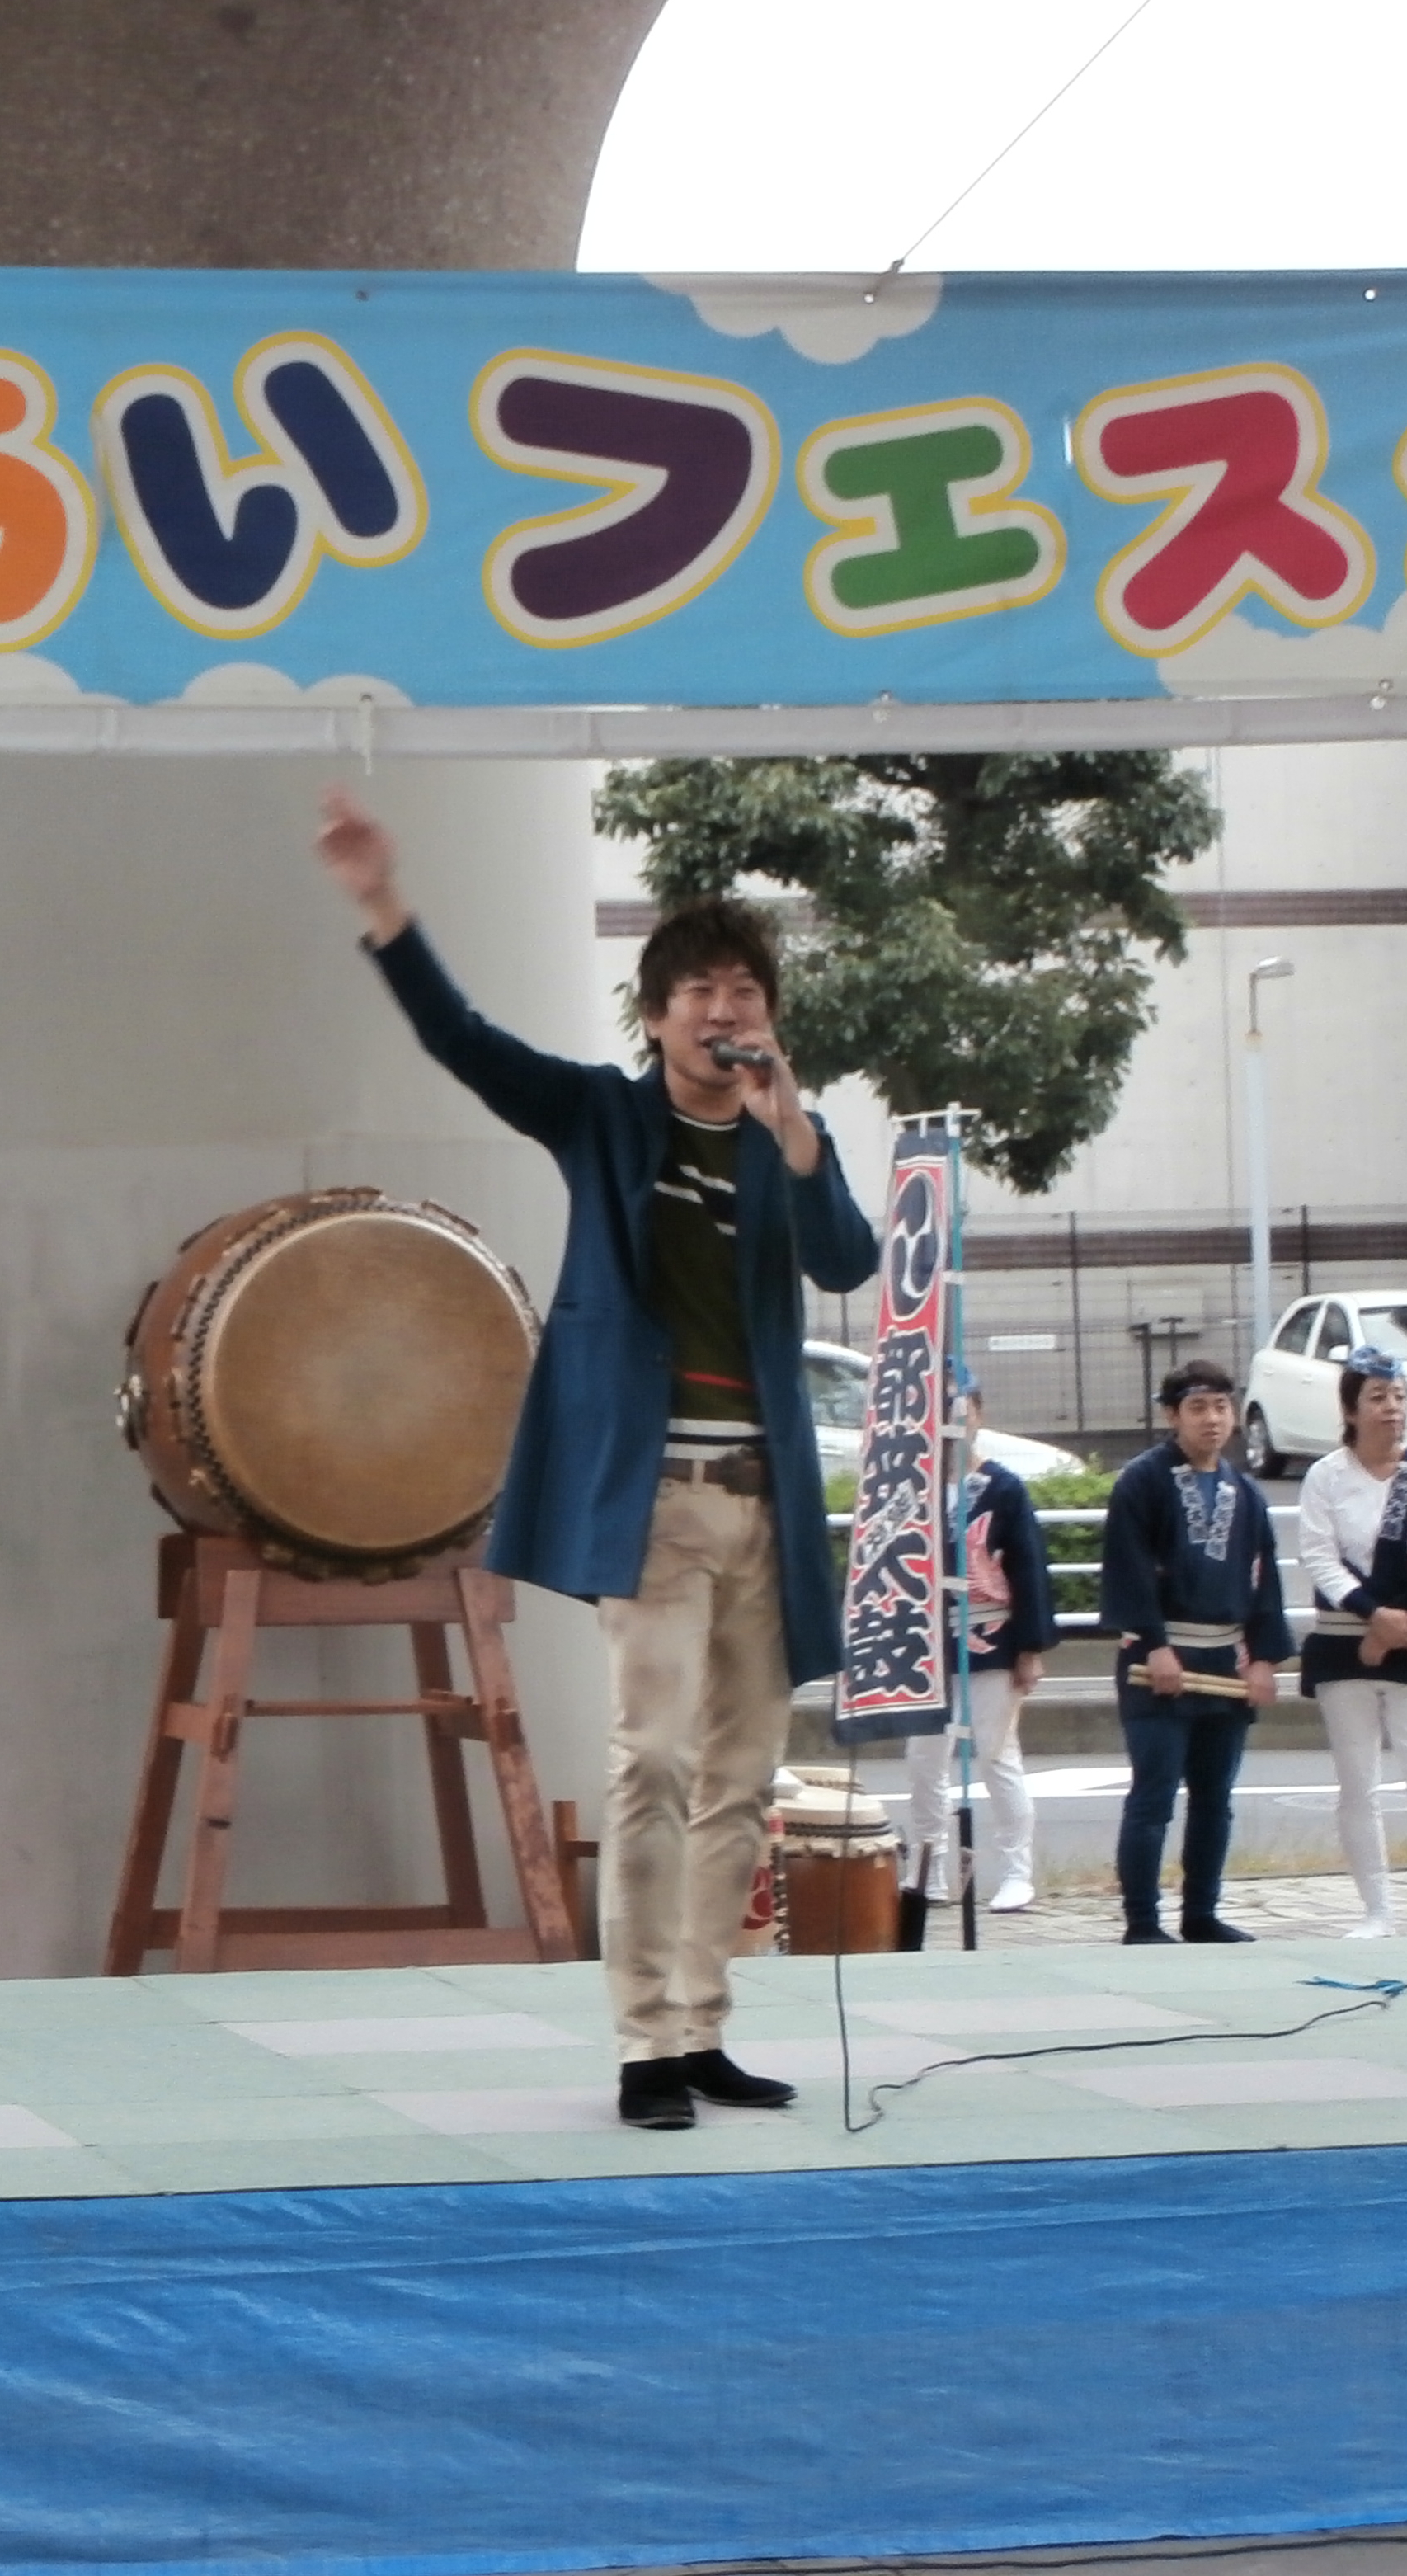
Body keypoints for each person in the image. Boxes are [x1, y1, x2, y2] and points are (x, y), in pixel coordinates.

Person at [315, 789, 880, 2128]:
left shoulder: (782, 1142)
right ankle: (639, 2045)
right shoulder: (599, 1118)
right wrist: (383, 905)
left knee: (744, 1777)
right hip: (653, 1503)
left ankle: (699, 2027)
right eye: (699, 990)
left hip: (764, 1501)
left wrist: (796, 1138)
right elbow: (463, 1042)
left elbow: (850, 1259)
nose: (723, 1009)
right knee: (655, 1764)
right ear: (654, 1017)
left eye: (744, 989)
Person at [1099, 1358, 1292, 1944]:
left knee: (1215, 1797)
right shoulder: (1141, 1481)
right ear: (1171, 1414)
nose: (1211, 1420)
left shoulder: (1246, 1491)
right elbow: (1128, 1570)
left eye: (1220, 1406)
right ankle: (1141, 1919)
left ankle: (1201, 1911)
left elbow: (1264, 1581)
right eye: (1197, 1407)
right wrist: (1153, 1644)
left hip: (1223, 1662)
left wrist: (1262, 1656)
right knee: (1153, 1794)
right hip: (1156, 1659)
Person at [1295, 1346, 1407, 1938]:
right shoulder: (1326, 1475)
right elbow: (1318, 1554)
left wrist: (1402, 1628)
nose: (1390, 1408)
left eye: (1398, 1396)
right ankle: (1377, 1911)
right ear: (1350, 1408)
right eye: (1376, 1397)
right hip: (1343, 1639)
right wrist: (1369, 1615)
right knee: (1356, 1783)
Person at [902, 1370, 1059, 1915]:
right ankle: (927, 1868)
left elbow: (1028, 1570)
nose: (951, 1417)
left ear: (978, 1412)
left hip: (992, 1633)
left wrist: (1029, 1647)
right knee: (924, 1758)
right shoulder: (911, 1487)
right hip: (926, 1643)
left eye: (960, 1406)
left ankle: (1016, 1871)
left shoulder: (1002, 1487)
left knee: (996, 1757)